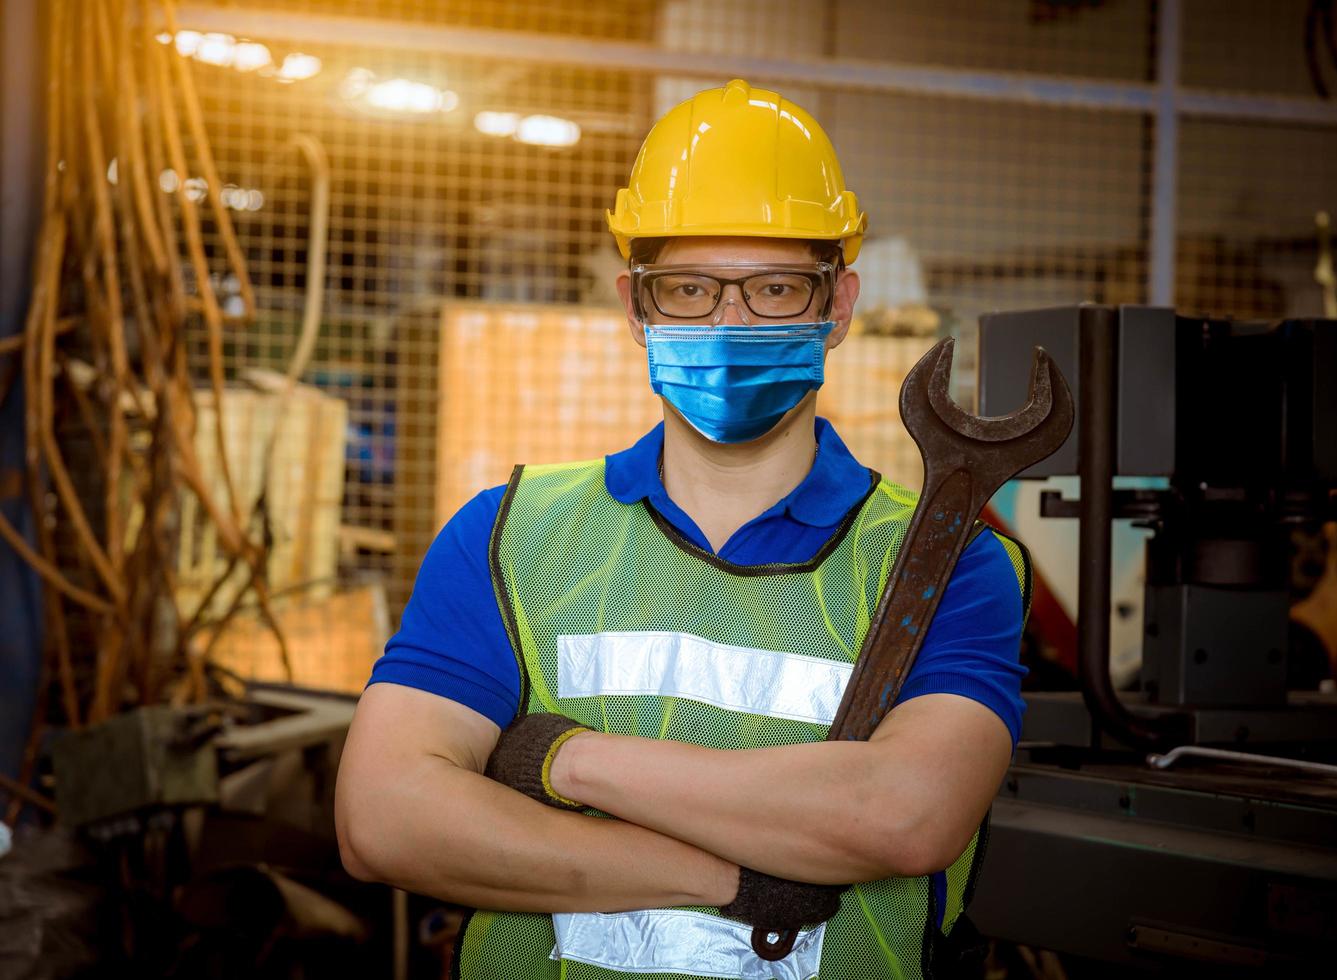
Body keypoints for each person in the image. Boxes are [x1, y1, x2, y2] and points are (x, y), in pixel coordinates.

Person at [336, 78, 1032, 979]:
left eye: (777, 288)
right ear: (636, 306)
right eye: (690, 289)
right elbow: (382, 819)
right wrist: (721, 875)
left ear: (840, 303)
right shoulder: (508, 537)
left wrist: (560, 761)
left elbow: (904, 815)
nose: (731, 323)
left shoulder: (950, 564)